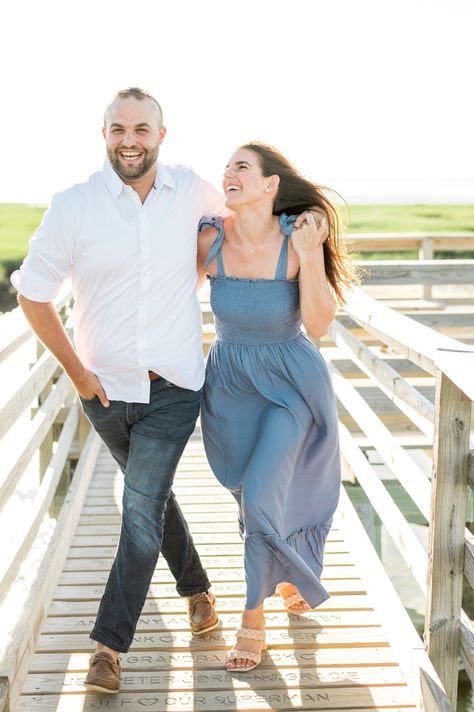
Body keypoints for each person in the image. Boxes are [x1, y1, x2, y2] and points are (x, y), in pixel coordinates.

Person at [11, 88, 232, 694]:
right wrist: (78, 373)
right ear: (103, 134)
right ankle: (200, 595)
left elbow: (242, 226)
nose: (128, 139)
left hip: (175, 387)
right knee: (150, 497)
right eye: (117, 129)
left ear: (163, 134)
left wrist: (301, 238)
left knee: (140, 508)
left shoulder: (191, 190)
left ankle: (108, 646)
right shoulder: (74, 206)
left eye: (141, 128)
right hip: (102, 392)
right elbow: (33, 292)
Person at [196, 142, 357, 673]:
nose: (228, 173)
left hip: (291, 387)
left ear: (270, 185)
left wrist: (312, 256)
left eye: (242, 166)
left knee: (265, 491)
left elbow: (317, 325)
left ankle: (252, 617)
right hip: (229, 385)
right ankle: (287, 572)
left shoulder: (298, 240)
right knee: (248, 495)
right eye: (227, 167)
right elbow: (161, 294)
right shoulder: (209, 240)